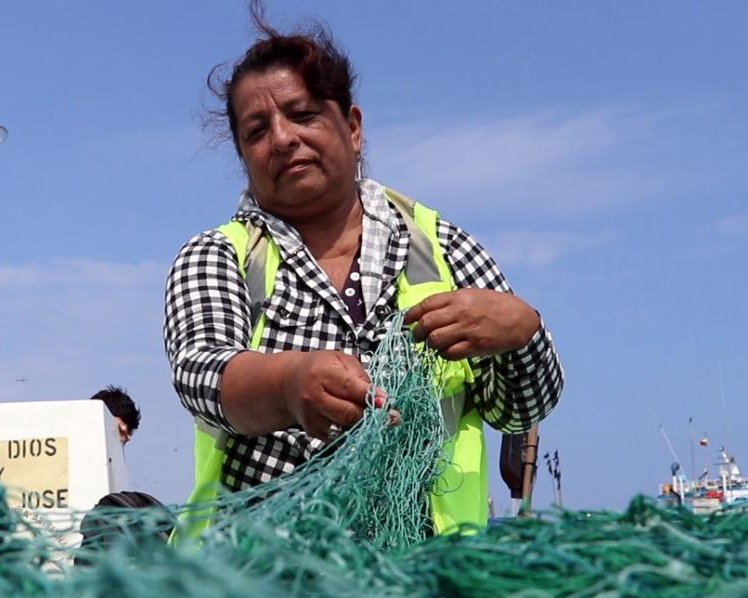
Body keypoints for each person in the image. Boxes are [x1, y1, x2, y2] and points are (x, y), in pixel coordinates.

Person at [163, 10, 564, 535]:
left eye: (302, 115)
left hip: (423, 586)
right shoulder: (216, 256)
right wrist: (288, 384)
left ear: (352, 127)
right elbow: (201, 373)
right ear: (244, 156)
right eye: (257, 131)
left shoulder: (444, 246)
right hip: (256, 593)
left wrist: (522, 330)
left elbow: (518, 410)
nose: (282, 139)